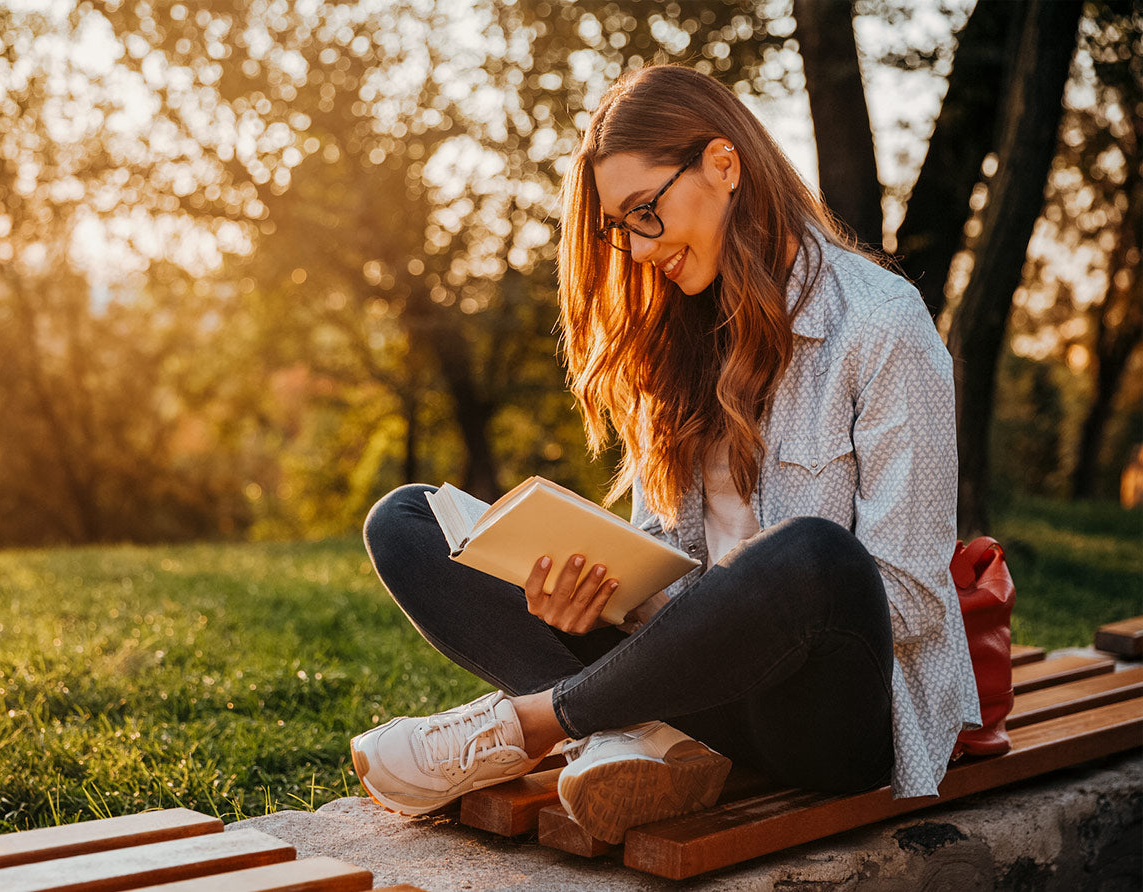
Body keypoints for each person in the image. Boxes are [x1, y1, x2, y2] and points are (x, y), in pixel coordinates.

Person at [351, 64, 980, 844]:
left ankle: (535, 724)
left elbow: (910, 598)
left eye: (646, 211)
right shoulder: (676, 335)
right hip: (689, 686)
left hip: (826, 720)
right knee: (409, 521)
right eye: (622, 227)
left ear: (723, 164)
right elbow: (663, 555)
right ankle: (643, 735)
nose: (641, 248)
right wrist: (597, 591)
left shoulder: (882, 325)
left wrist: (739, 600)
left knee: (814, 556)